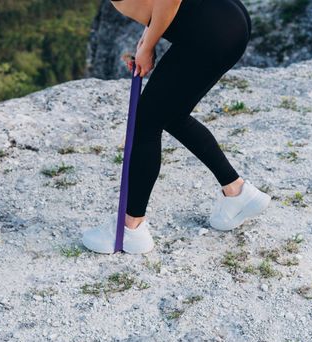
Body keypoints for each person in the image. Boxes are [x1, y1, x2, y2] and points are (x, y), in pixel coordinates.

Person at [82, 0, 270, 254]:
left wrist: (149, 46)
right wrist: (147, 37)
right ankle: (236, 191)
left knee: (145, 123)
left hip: (209, 29)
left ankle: (131, 228)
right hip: (223, 22)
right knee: (171, 114)